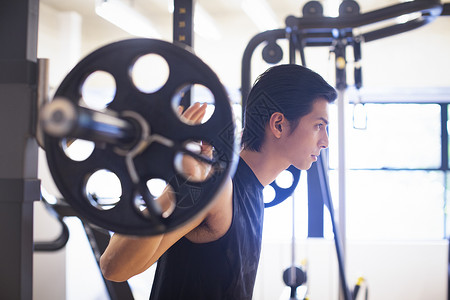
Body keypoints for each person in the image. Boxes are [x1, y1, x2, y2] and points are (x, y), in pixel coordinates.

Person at [100, 64, 337, 299]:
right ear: (278, 124)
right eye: (319, 126)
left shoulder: (252, 190)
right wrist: (180, 185)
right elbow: (114, 266)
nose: (325, 141)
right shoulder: (219, 186)